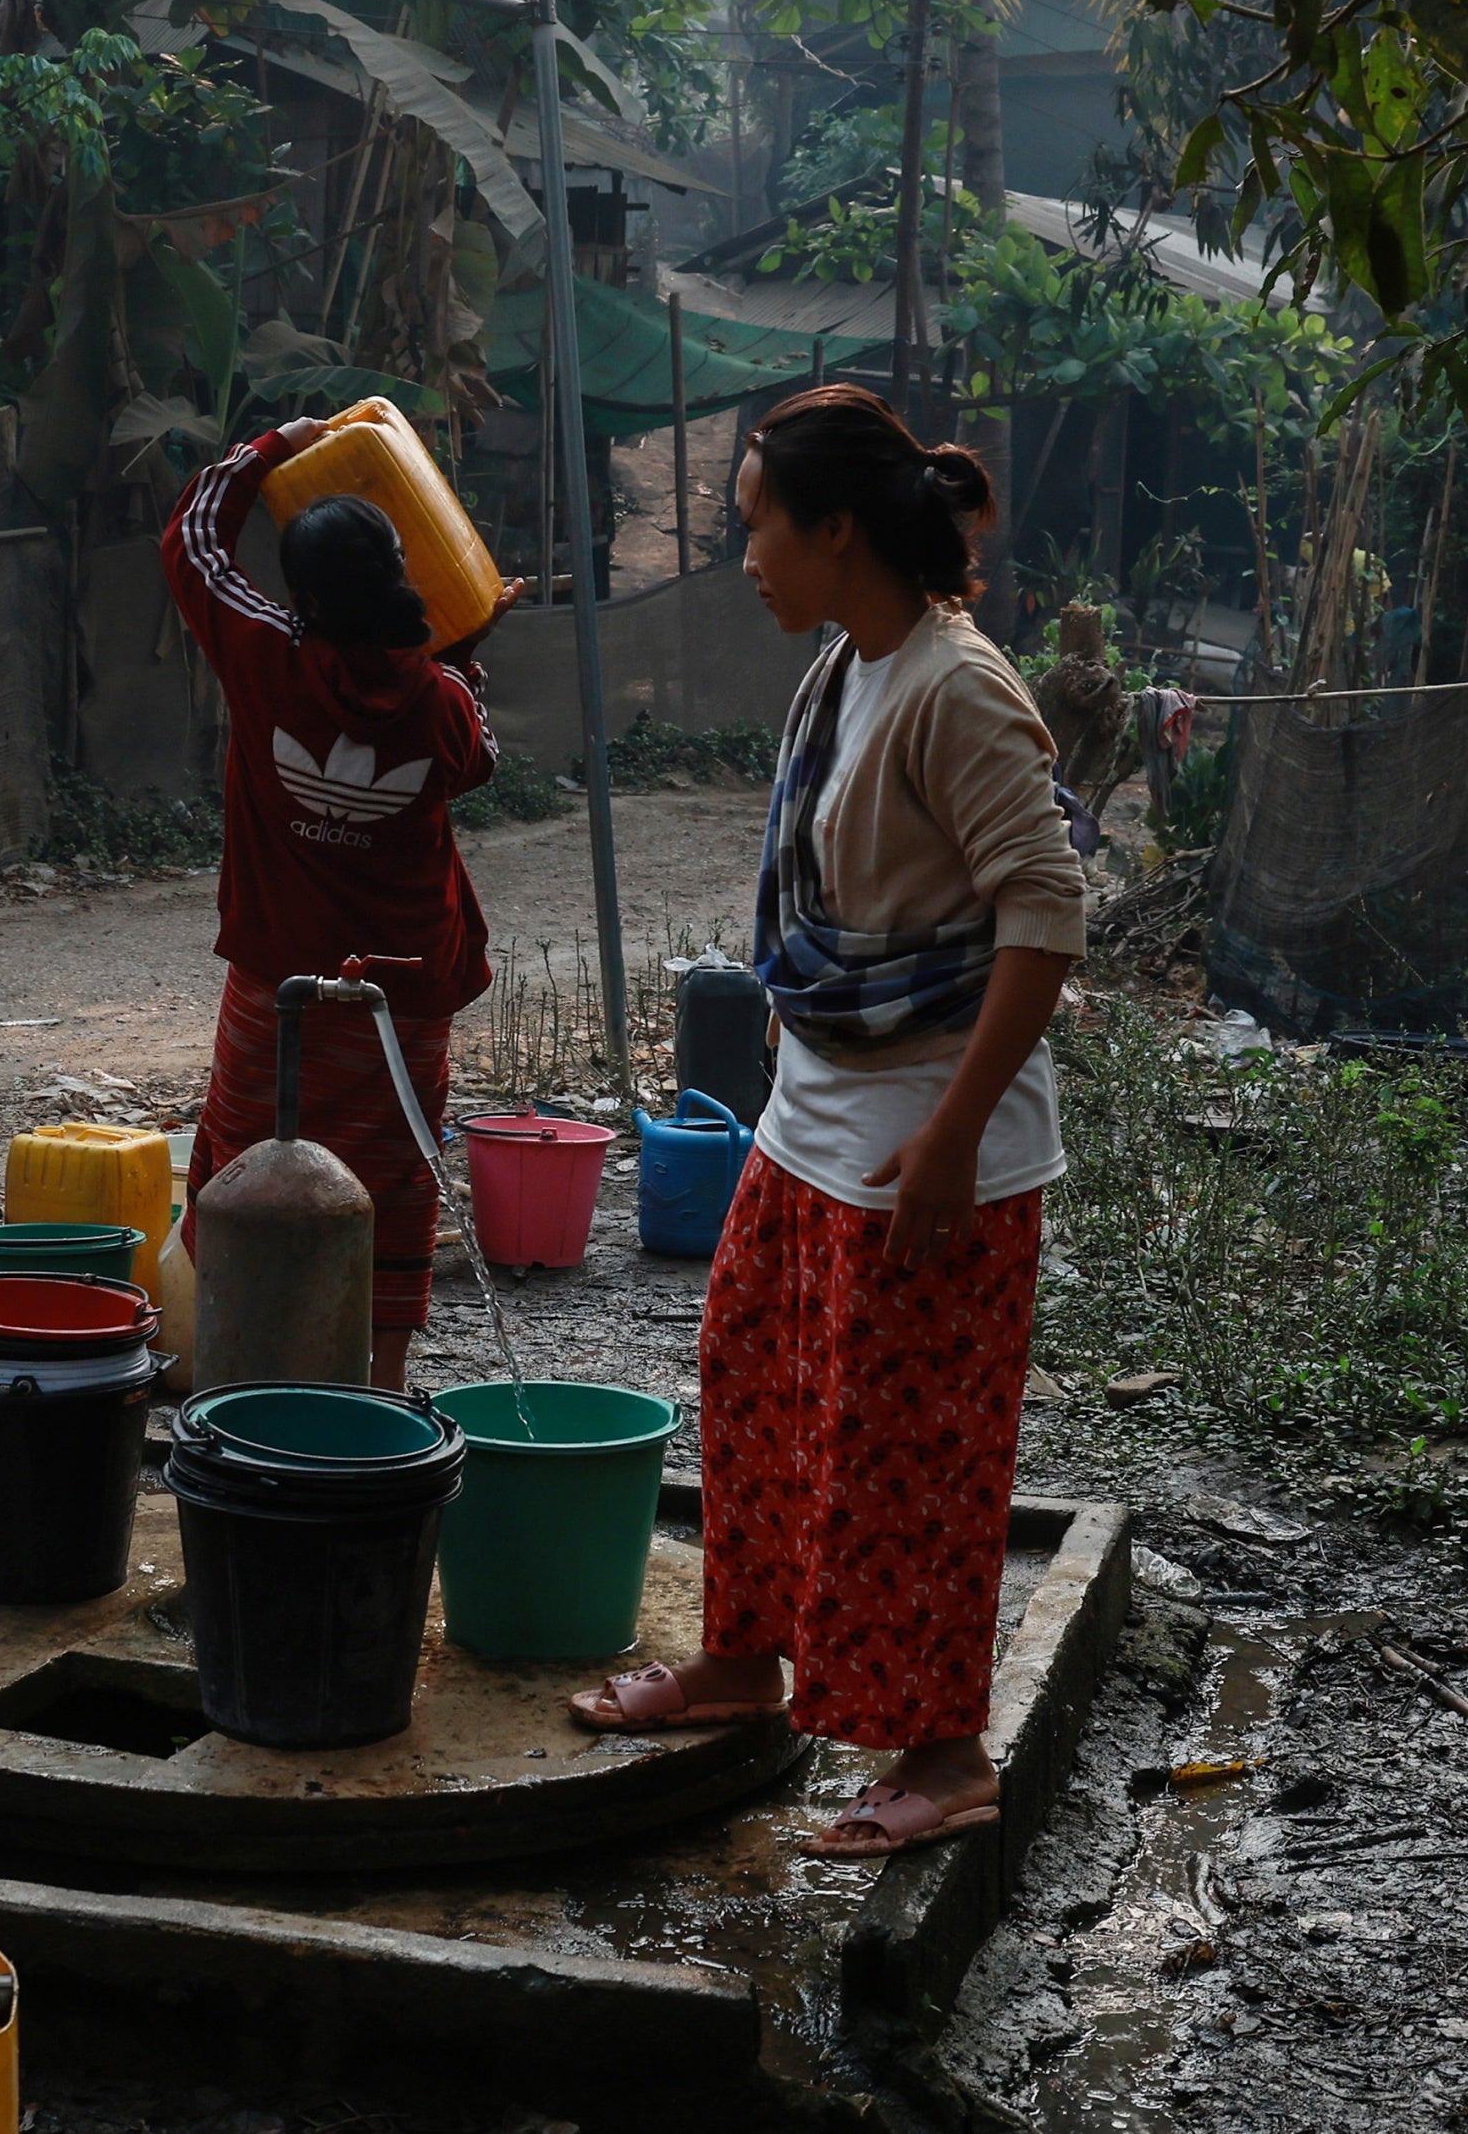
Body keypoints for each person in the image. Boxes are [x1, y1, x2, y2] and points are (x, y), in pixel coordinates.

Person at [566, 386, 1085, 1867]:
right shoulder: (850, 666)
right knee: (754, 1387)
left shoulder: (956, 687)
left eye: (756, 524)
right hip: (814, 1115)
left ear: (837, 529)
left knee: (909, 1454)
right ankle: (744, 1664)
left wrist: (951, 1134)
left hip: (934, 1144)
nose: (743, 555)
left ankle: (947, 1750)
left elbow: (1046, 912)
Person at [165, 419, 513, 1389]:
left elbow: (188, 540)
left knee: (239, 1161)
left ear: (304, 597)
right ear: (405, 572)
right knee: (396, 1185)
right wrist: (469, 644)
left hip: (280, 985)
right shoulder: (442, 697)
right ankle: (385, 1382)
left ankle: (235, 1362)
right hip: (404, 995)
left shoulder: (262, 651)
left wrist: (272, 447)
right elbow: (476, 758)